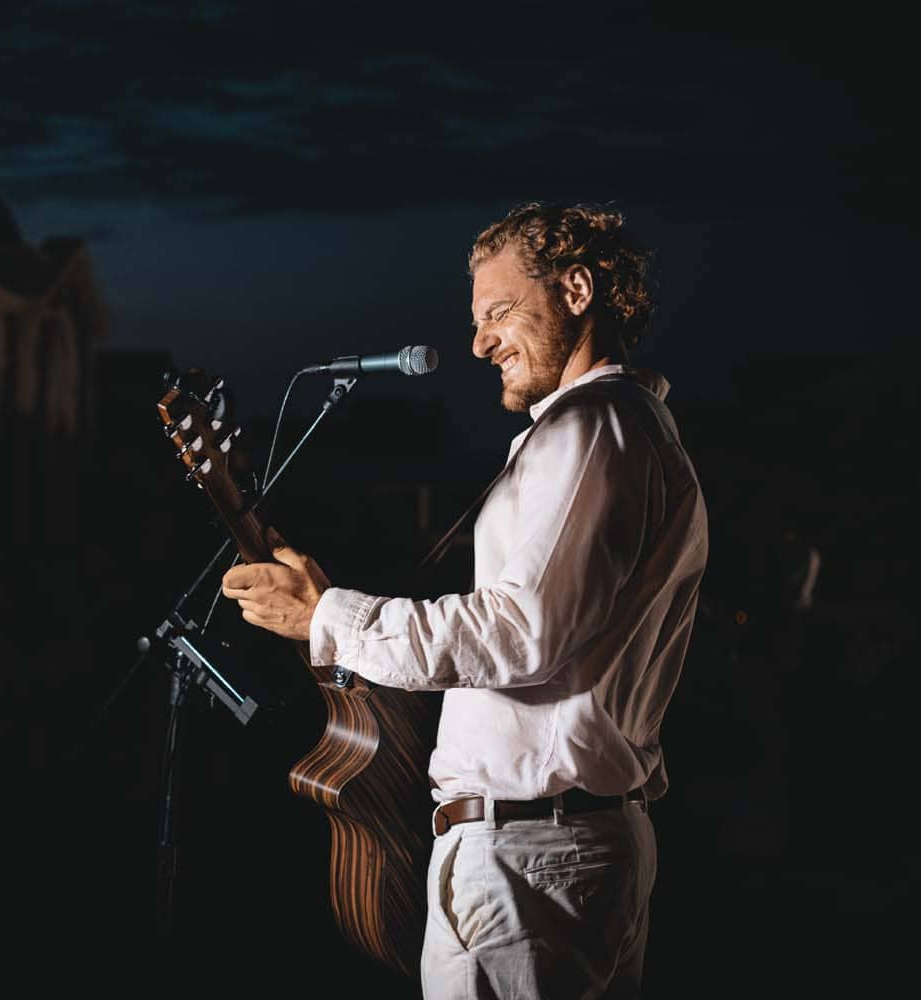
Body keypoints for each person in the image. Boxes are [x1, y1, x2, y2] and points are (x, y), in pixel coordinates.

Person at [222, 202, 707, 998]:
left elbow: (521, 633)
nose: (480, 342)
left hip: (533, 857)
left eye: (500, 312)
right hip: (559, 850)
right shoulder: (623, 430)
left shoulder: (590, 427)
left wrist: (327, 615)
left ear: (578, 289)